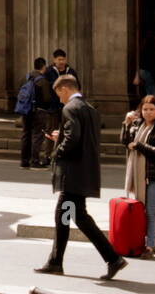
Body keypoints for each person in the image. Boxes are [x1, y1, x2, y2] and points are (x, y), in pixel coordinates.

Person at [35, 75, 127, 280]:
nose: (59, 99)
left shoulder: (69, 108)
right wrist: (63, 137)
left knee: (65, 216)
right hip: (84, 172)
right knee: (76, 217)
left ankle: (58, 262)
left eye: (58, 94)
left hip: (71, 175)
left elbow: (73, 138)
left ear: (64, 89)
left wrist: (56, 152)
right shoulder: (90, 109)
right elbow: (80, 136)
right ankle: (111, 259)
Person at [121, 95, 155, 258]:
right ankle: (139, 242)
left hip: (154, 175)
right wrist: (126, 123)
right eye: (145, 109)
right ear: (140, 110)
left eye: (152, 109)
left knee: (150, 211)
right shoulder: (136, 124)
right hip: (137, 173)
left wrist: (139, 145)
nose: (148, 112)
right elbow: (125, 141)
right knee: (140, 210)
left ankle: (150, 245)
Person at [17, 56, 54, 169]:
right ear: (43, 67)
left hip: (25, 109)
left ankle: (24, 161)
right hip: (39, 111)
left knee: (26, 134)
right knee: (37, 135)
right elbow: (47, 98)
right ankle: (35, 161)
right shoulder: (42, 81)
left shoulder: (25, 78)